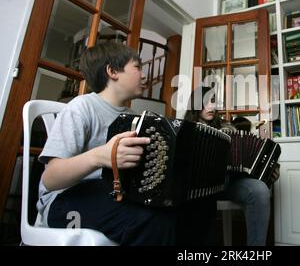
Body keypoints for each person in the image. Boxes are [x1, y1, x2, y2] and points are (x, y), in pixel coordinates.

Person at [37, 42, 216, 245]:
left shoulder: (134, 117)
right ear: (112, 71)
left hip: (114, 193)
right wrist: (99, 156)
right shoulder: (82, 107)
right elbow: (50, 179)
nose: (144, 74)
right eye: (137, 67)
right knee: (154, 219)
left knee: (198, 205)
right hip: (64, 202)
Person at [184, 86, 280, 246]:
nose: (211, 106)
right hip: (200, 188)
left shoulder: (227, 128)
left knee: (260, 190)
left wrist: (269, 170)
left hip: (229, 184)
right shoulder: (186, 129)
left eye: (213, 101)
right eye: (205, 102)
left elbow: (249, 158)